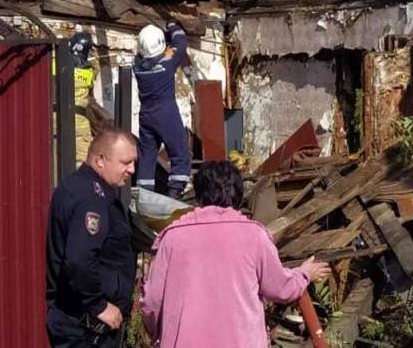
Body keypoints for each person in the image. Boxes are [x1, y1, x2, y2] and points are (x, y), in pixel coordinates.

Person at [141, 161, 331, 348]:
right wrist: (305, 273)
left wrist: (158, 333)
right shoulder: (254, 236)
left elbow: (152, 301)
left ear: (199, 196)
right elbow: (279, 288)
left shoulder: (172, 238)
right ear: (238, 195)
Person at [46, 127, 138, 348]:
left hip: (82, 324)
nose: (132, 170)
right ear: (100, 160)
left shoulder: (78, 187)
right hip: (85, 328)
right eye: (125, 162)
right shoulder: (91, 197)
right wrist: (98, 306)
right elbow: (80, 259)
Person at [133, 21, 191, 198]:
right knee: (179, 149)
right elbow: (180, 43)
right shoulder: (166, 64)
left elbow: (147, 57)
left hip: (146, 116)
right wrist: (173, 26)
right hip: (166, 113)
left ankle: (144, 193)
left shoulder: (137, 66)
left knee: (147, 154)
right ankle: (175, 190)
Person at [69, 31, 106, 167]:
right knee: (83, 157)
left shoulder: (56, 63)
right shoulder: (88, 71)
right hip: (79, 118)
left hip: (55, 116)